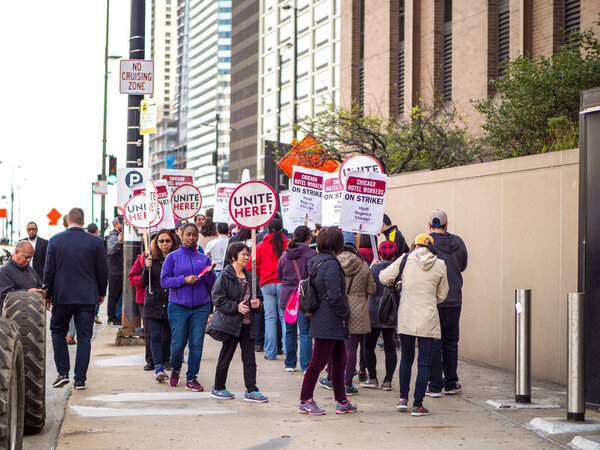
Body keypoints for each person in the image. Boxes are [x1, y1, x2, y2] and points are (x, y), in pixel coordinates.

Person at [379, 233, 448, 416]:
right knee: (424, 363)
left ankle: (403, 398)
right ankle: (418, 405)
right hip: (428, 318)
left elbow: (384, 277)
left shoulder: (405, 259)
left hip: (407, 317)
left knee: (407, 359)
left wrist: (399, 283)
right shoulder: (440, 264)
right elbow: (442, 295)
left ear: (414, 246)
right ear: (431, 247)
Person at [44, 208, 109, 390]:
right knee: (84, 338)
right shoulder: (95, 241)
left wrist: (48, 294)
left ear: (67, 221)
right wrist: (101, 292)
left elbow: (49, 270)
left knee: (58, 331)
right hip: (87, 297)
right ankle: (80, 380)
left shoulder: (55, 240)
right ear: (83, 221)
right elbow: (103, 270)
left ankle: (63, 372)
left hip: (62, 296)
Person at [298, 227, 356, 415]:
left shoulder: (316, 260)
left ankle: (342, 400)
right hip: (329, 319)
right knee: (318, 362)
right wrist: (345, 311)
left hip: (325, 318)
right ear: (337, 243)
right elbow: (334, 294)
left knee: (340, 361)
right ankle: (305, 400)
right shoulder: (330, 263)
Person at [207, 242, 268, 403]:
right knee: (226, 357)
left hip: (248, 325)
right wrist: (236, 307)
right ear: (233, 256)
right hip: (231, 325)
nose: (246, 258)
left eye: (247, 254)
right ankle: (218, 387)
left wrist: (257, 304)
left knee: (250, 360)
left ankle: (252, 390)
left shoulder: (250, 277)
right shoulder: (225, 276)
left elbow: (259, 299)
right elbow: (218, 299)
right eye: (243, 254)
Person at [160, 223, 216, 391]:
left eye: (194, 235)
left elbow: (211, 285)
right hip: (178, 306)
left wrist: (209, 274)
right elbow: (164, 281)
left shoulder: (204, 258)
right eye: (188, 235)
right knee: (177, 344)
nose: (191, 238)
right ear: (181, 236)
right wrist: (183, 280)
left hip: (201, 306)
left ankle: (192, 377)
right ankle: (176, 369)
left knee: (196, 344)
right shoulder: (172, 257)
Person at [325, 232, 375, 395]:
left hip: (337, 308)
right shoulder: (363, 265)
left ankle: (332, 380)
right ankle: (347, 384)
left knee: (334, 347)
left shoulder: (333, 263)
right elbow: (372, 289)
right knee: (352, 348)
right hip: (358, 308)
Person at [425, 209, 468, 398]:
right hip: (453, 299)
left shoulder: (424, 243)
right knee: (451, 342)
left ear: (429, 225)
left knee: (434, 342)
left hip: (432, 300)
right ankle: (450, 383)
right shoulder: (458, 242)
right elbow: (463, 265)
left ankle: (434, 386)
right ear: (446, 224)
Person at [277, 225, 316, 372]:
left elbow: (279, 275)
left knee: (289, 330)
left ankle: (290, 363)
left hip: (287, 297)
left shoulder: (285, 254)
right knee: (305, 331)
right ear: (308, 238)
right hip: (304, 297)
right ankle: (306, 366)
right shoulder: (311, 254)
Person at [247, 218, 288, 361]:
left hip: (266, 283)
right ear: (281, 229)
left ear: (267, 229)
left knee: (270, 318)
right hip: (284, 284)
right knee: (284, 318)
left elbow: (250, 266)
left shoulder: (260, 245)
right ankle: (289, 354)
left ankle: (270, 353)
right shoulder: (287, 244)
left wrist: (261, 273)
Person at [361, 241, 399, 391]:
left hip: (373, 311)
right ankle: (388, 380)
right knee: (390, 347)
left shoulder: (374, 268)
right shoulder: (398, 269)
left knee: (368, 346)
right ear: (395, 254)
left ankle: (373, 377)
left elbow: (367, 287)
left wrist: (370, 268)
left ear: (379, 252)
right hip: (390, 310)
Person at [142, 229, 177, 383]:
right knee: (155, 336)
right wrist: (146, 267)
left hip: (171, 302)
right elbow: (144, 281)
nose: (164, 244)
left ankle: (166, 360)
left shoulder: (176, 259)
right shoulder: (151, 259)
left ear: (172, 242)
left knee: (168, 336)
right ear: (156, 243)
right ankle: (158, 367)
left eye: (167, 241)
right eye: (161, 241)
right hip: (153, 303)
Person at [0, 241, 45, 312]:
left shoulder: (30, 270)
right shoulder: (4, 271)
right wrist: (27, 292)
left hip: (33, 315)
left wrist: (42, 291)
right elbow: (4, 295)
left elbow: (39, 285)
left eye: (31, 257)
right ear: (16, 252)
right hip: (13, 316)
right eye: (26, 257)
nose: (29, 260)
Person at [128, 250, 153, 371]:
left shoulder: (170, 257)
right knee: (149, 331)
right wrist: (144, 277)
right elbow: (132, 278)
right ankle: (150, 360)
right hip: (145, 300)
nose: (164, 243)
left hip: (165, 299)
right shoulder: (142, 258)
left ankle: (165, 359)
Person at [106, 216, 124, 326]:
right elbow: (110, 251)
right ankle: (112, 318)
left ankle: (116, 316)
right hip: (115, 271)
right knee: (114, 295)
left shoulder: (119, 235)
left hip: (120, 271)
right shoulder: (113, 236)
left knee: (119, 296)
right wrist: (118, 242)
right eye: (122, 223)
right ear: (116, 225)